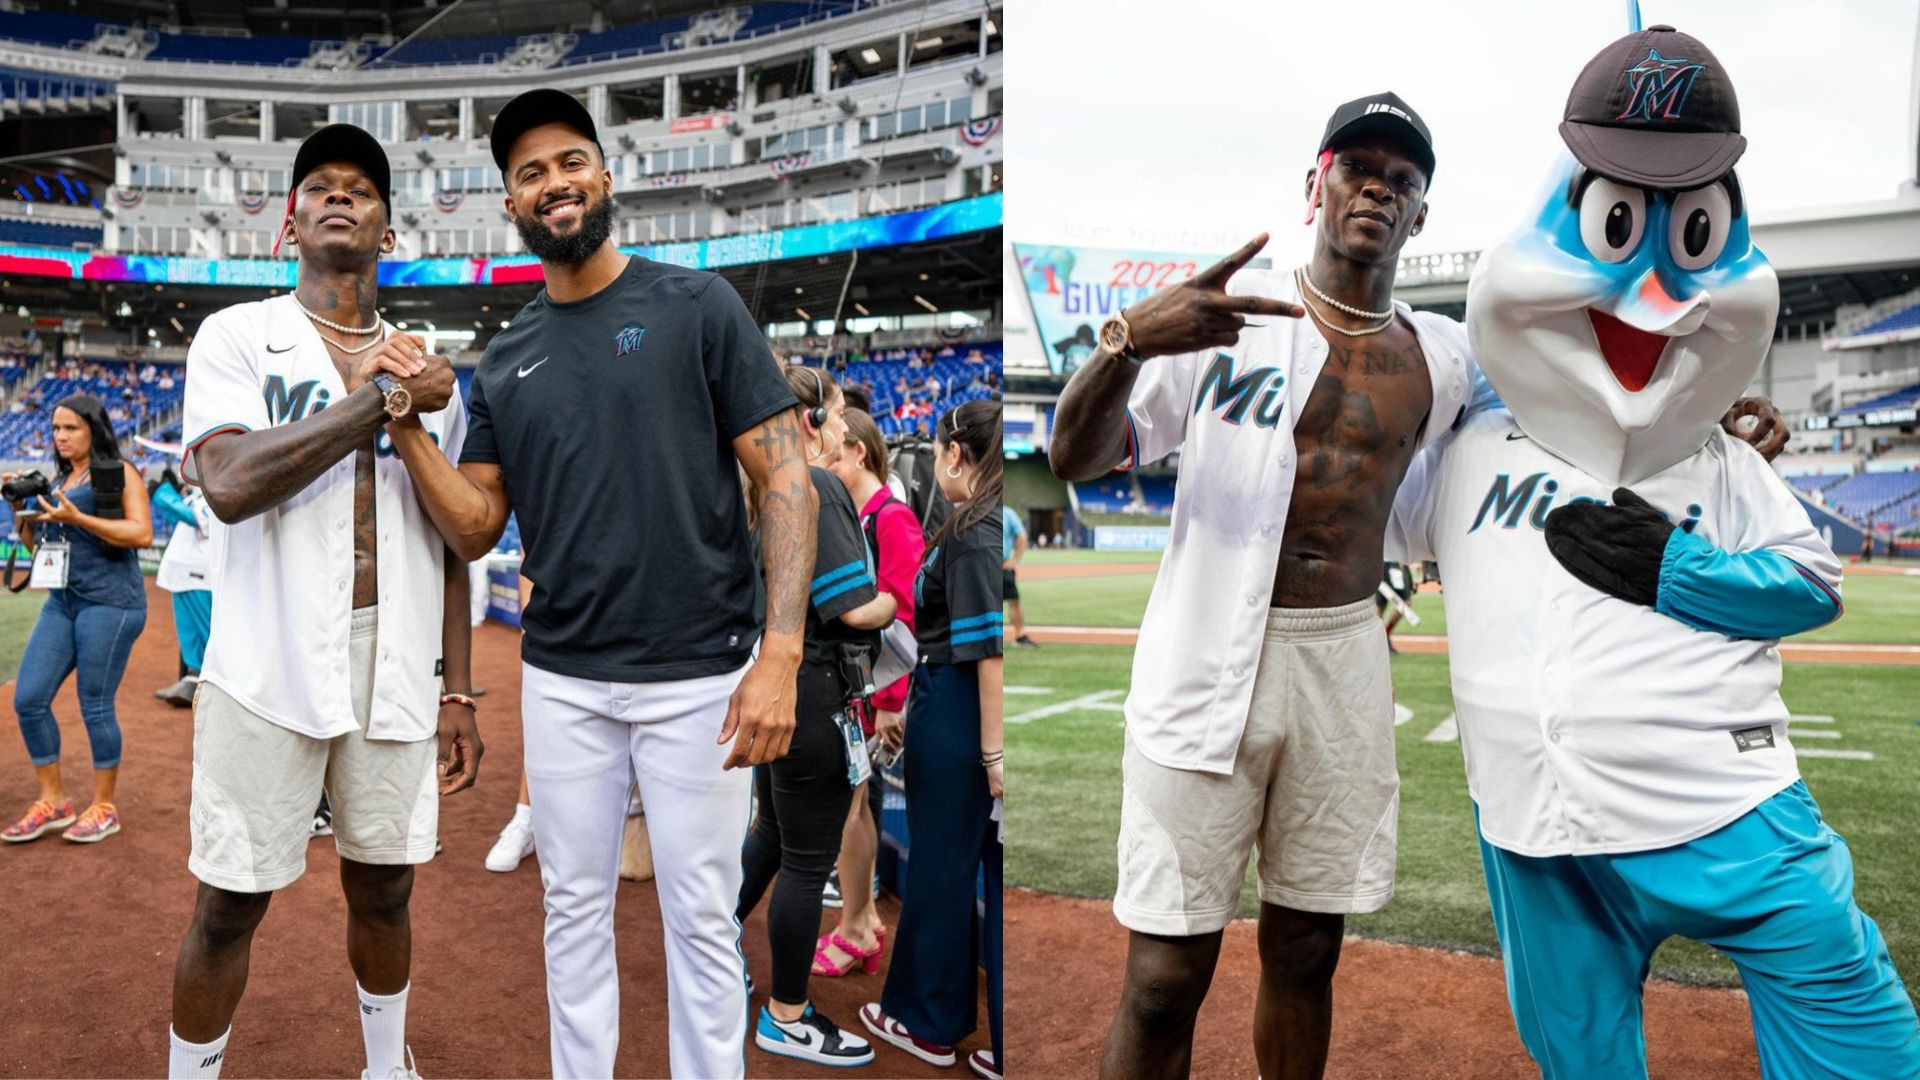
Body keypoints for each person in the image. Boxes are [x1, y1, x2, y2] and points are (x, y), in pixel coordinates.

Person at [1047, 91, 1790, 1080]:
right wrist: (1126, 340)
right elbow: (1074, 455)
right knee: (1163, 975)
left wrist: (1711, 409)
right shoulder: (1225, 322)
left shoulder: (1446, 357)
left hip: (1344, 652)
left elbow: (1592, 408)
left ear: (1422, 213)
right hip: (1203, 649)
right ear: (1317, 183)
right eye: (1358, 168)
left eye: (1402, 180)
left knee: (1309, 951)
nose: (1378, 190)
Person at [1389, 25, 1919, 1078]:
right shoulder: (1468, 444)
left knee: (1850, 1014)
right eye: (1619, 223)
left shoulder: (1716, 451)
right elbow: (1353, 524)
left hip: (1716, 808)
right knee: (1577, 1055)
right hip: (1537, 831)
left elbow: (1814, 581)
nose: (1656, 299)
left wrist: (1676, 573)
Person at [376, 88, 813, 1080]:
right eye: (530, 173)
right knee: (570, 908)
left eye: (570, 162)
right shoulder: (507, 357)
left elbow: (785, 475)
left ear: (604, 177)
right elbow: (478, 520)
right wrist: (403, 424)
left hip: (701, 671)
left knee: (699, 917)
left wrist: (781, 652)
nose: (554, 184)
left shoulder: (697, 305)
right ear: (512, 205)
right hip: (565, 677)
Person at [164, 123, 479, 1080]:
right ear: (288, 224)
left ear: (391, 231)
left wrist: (458, 690)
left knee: (386, 889)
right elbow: (226, 480)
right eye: (320, 186)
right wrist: (382, 400)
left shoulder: (430, 372)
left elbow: (453, 538)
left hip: (394, 655)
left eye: (363, 189)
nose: (341, 195)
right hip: (266, 657)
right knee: (230, 901)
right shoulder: (237, 335)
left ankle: (386, 1066)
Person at [737, 366, 895, 1066]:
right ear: (808, 421)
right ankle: (788, 1014)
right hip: (816, 688)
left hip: (769, 685)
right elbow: (856, 610)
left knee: (771, 834)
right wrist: (897, 596)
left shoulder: (750, 483)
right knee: (806, 861)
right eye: (833, 415)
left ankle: (714, 948)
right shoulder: (817, 484)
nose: (841, 427)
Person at [861, 399, 1005, 1080]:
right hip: (945, 702)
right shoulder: (972, 525)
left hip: (951, 709)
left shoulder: (976, 531)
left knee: (944, 871)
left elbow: (988, 653)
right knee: (952, 866)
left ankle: (930, 1021)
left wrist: (992, 750)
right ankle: (947, 1015)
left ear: (955, 452)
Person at [1, 394, 152, 844]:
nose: (60, 437)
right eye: (55, 429)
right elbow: (37, 551)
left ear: (93, 430)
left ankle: (104, 807)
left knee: (95, 703)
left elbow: (140, 533)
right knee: (28, 698)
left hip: (111, 602)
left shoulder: (119, 472)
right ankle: (55, 801)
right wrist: (19, 510)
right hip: (64, 601)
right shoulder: (59, 478)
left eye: (70, 428)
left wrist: (78, 517)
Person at [816, 408, 923, 979]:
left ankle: (856, 924)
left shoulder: (891, 517)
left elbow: (903, 615)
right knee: (850, 807)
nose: (827, 466)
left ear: (860, 452)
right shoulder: (864, 513)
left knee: (853, 807)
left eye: (833, 455)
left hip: (873, 688)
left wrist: (887, 702)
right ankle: (859, 918)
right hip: (859, 685)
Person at [150, 465, 212, 708]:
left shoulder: (212, 496)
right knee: (190, 638)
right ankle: (191, 683)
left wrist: (163, 494)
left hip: (200, 575)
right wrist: (172, 495)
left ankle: (219, 691)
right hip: (180, 575)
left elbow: (195, 518)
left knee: (208, 635)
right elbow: (178, 514)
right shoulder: (192, 497)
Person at [1003, 505, 1036, 648]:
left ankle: (1020, 635)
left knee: (1013, 600)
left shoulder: (1008, 513)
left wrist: (1014, 560)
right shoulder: (1007, 512)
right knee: (1013, 602)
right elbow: (1022, 536)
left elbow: (1022, 537)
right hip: (995, 564)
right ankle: (1019, 635)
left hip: (1000, 564)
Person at [1373, 561, 1414, 654]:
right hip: (1382, 562)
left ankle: (1385, 633)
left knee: (1405, 603)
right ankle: (1377, 641)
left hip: (1399, 563)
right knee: (1380, 605)